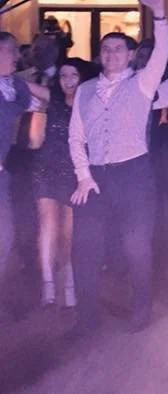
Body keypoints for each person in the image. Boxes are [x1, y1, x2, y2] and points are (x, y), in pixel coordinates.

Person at [68, 0, 168, 337]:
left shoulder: (142, 81)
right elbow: (75, 136)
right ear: (99, 56)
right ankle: (86, 318)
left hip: (134, 175)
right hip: (94, 177)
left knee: (136, 245)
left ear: (129, 55)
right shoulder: (85, 89)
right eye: (105, 50)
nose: (111, 54)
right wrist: (83, 175)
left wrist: (159, 14)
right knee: (85, 247)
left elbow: (162, 52)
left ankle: (141, 309)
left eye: (117, 49)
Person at [30, 58, 95, 308]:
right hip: (45, 166)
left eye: (73, 75)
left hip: (75, 171)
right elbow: (21, 84)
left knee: (70, 230)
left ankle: (68, 280)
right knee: (47, 223)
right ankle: (48, 283)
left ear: (82, 78)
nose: (68, 81)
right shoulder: (53, 99)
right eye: (63, 76)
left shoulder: (90, 103)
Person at [0, 33, 49, 314]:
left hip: (4, 172)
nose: (18, 57)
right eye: (12, 51)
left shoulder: (14, 85)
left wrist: (25, 83)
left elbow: (50, 99)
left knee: (5, 238)